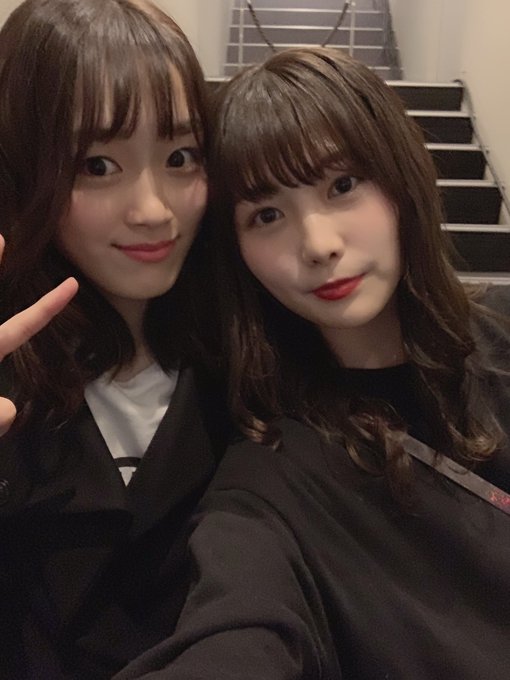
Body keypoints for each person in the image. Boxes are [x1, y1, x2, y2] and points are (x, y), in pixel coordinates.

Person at [115, 48, 510, 679]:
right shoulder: (270, 482)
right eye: (267, 215)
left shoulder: (500, 338)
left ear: (402, 177)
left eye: (343, 186)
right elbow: (238, 629)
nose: (319, 245)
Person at [0, 0, 228, 677]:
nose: (154, 210)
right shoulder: (10, 365)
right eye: (97, 166)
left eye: (181, 157)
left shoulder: (247, 359)